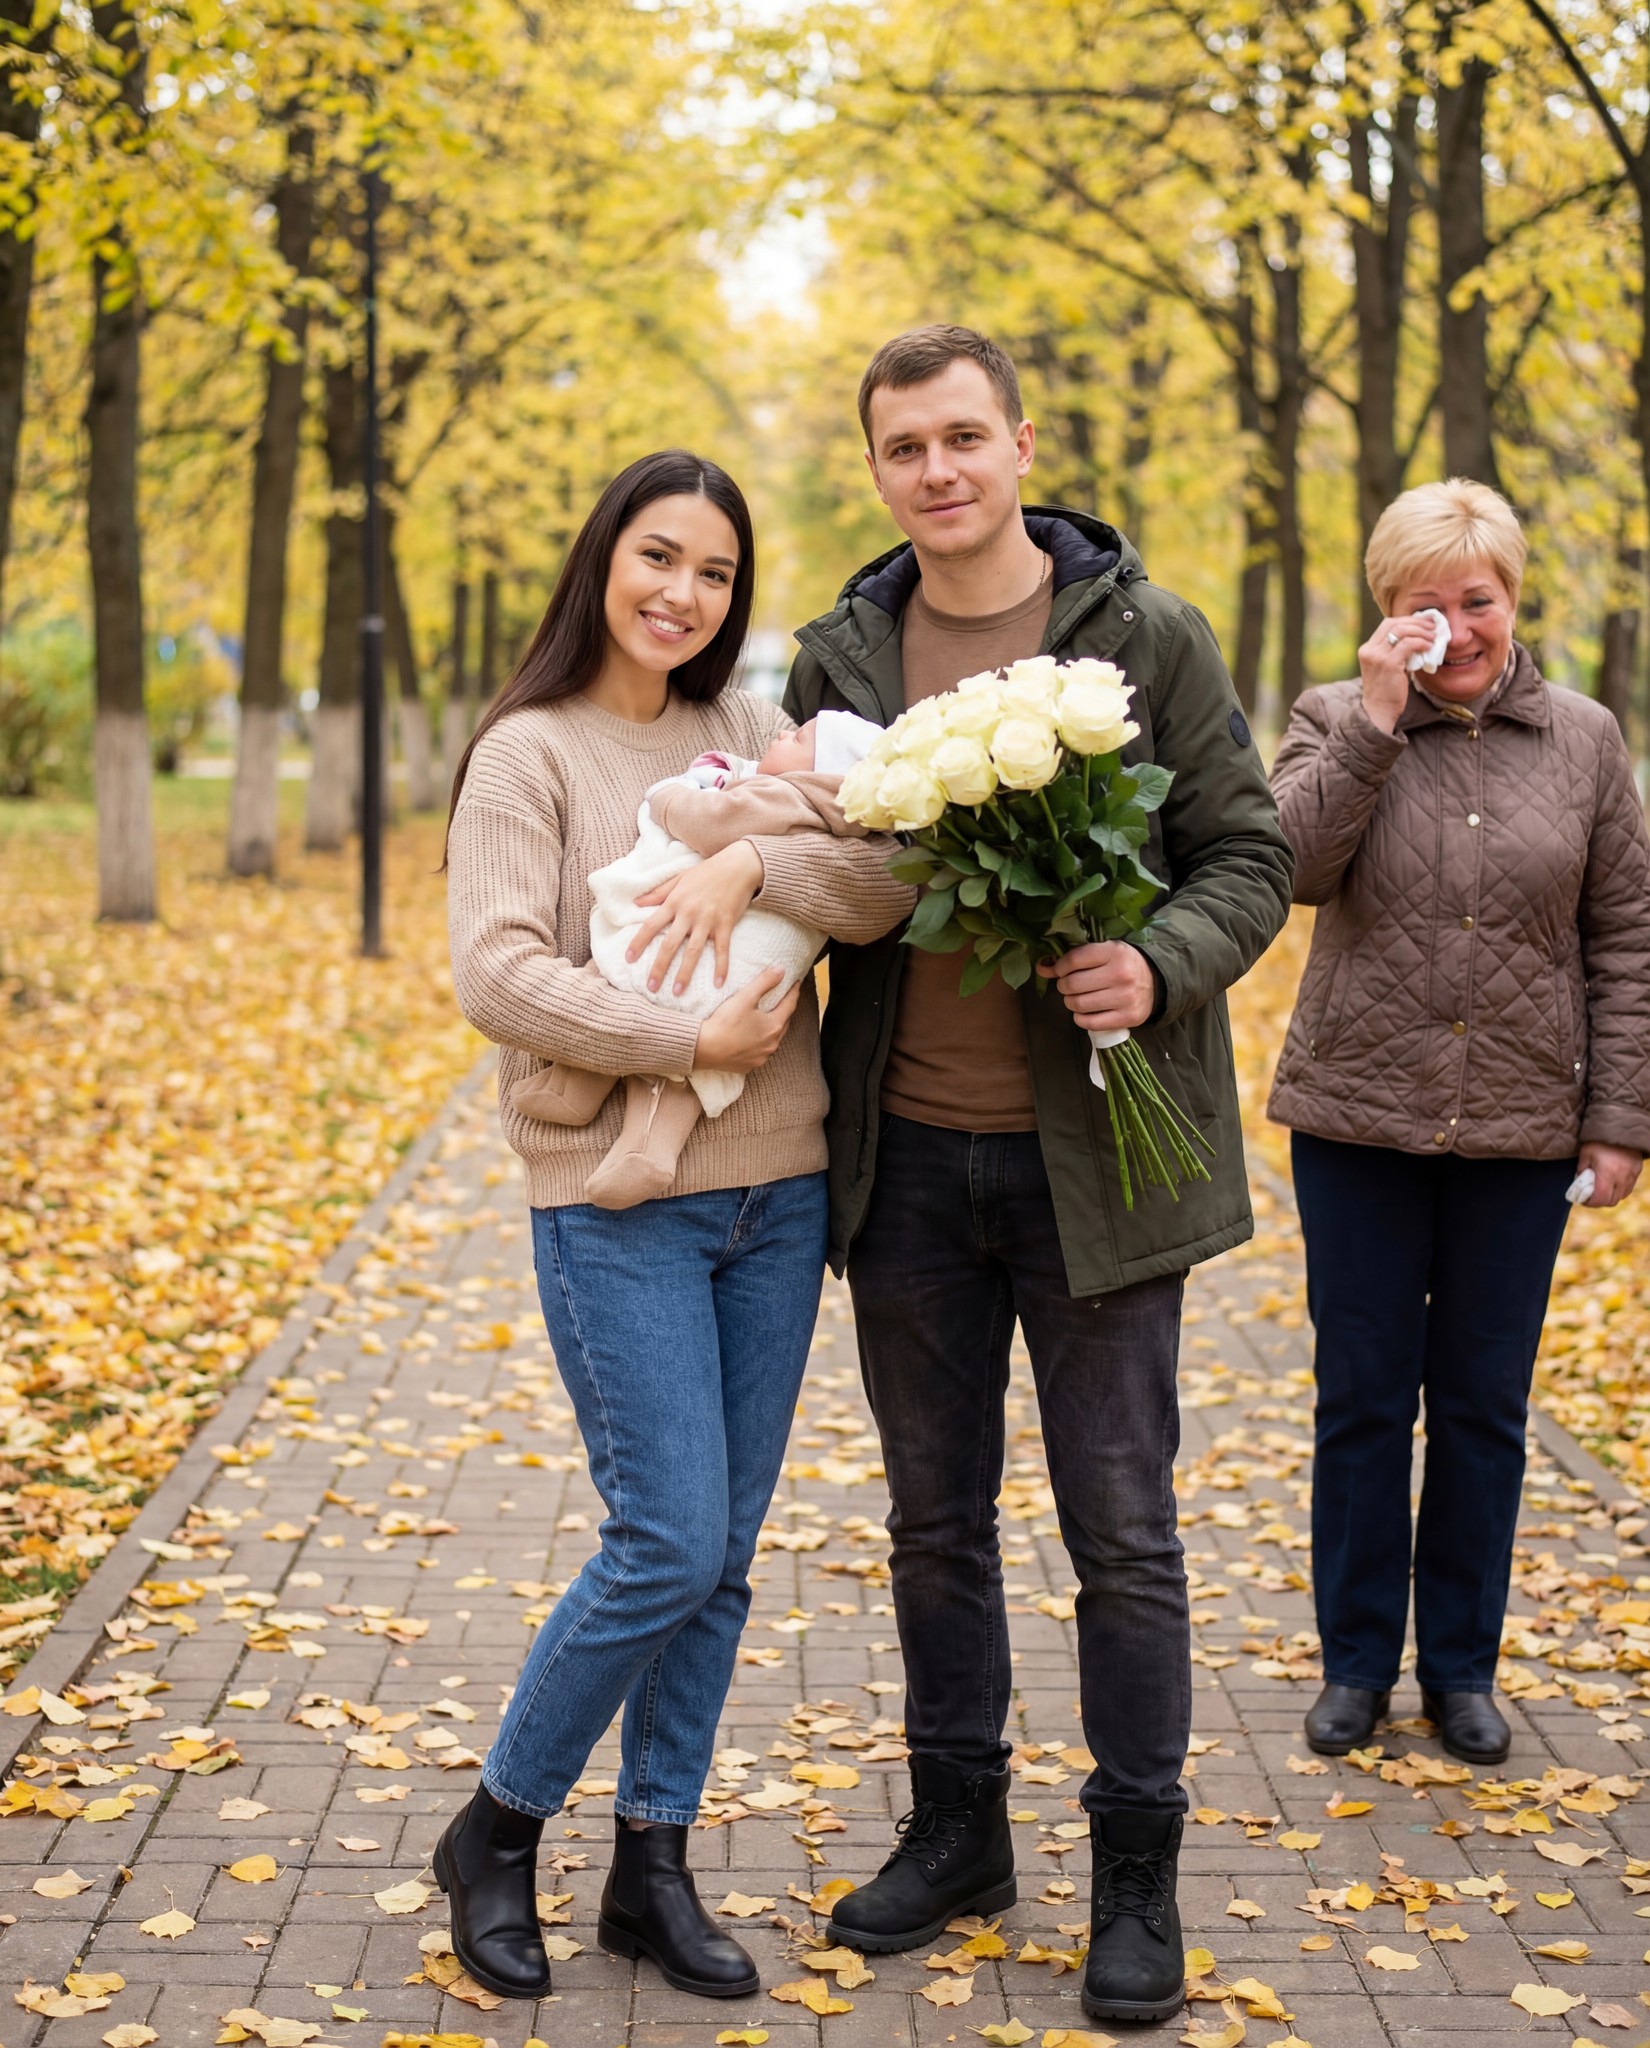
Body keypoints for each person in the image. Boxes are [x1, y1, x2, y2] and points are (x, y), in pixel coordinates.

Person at [783, 325, 1294, 2024]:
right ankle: (959, 1830)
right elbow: (813, 880)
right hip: (911, 1165)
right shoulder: (841, 659)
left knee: (1125, 1533)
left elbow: (1252, 849)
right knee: (934, 1525)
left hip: (1103, 1173)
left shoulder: (1140, 634)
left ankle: (1137, 1865)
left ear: (1019, 445)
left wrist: (1155, 957)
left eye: (961, 437)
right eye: (902, 446)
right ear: (877, 470)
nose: (936, 469)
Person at [441, 450, 909, 2003]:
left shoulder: (743, 730)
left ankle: (654, 1866)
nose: (680, 594)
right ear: (602, 562)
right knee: (665, 1540)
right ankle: (499, 1830)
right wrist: (681, 1043)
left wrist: (755, 858)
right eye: (657, 558)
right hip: (614, 1200)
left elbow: (883, 879)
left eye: (711, 573)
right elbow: (498, 974)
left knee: (721, 1563)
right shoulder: (528, 756)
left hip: (774, 1198)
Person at [1269, 479, 1650, 1767]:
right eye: (1421, 604)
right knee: (1364, 1401)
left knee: (1485, 1407)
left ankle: (1462, 1669)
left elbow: (1627, 937)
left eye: (1475, 598)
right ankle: (1357, 1663)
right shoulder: (1332, 716)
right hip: (1357, 1121)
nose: (1454, 625)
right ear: (1386, 614)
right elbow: (1290, 870)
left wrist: (1621, 1120)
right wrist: (1374, 721)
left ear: (1513, 597)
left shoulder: (1588, 741)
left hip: (1523, 1127)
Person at [506, 708, 883, 1208]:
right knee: (661, 1023)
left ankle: (606, 1111)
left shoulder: (785, 793)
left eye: (799, 738)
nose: (780, 733)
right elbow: (499, 976)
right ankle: (595, 1099)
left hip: (722, 966)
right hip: (750, 974)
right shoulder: (524, 747)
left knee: (632, 971)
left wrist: (669, 799)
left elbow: (712, 822)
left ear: (822, 773)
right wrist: (696, 1044)